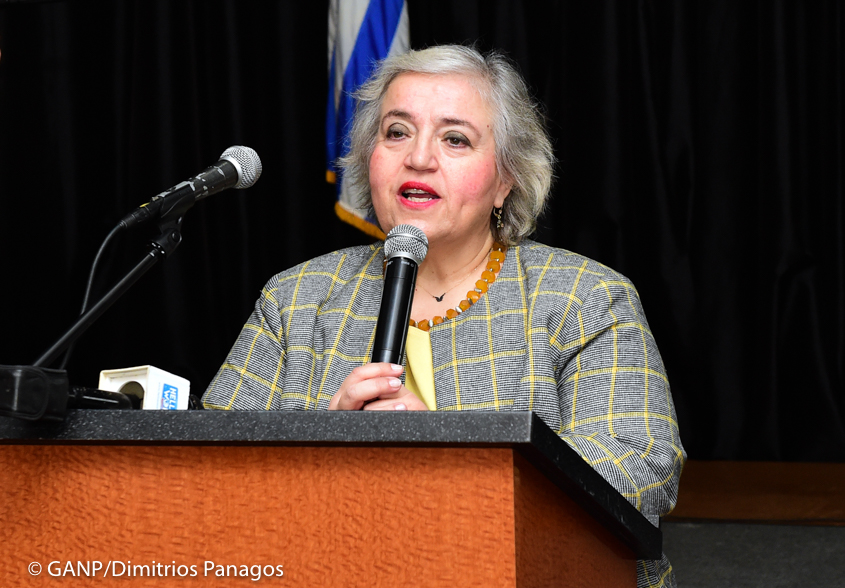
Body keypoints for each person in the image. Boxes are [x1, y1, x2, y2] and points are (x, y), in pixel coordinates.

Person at [203, 45, 685, 587]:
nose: (419, 158)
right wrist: (324, 441)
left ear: (505, 180)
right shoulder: (296, 298)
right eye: (396, 132)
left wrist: (450, 458)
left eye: (455, 139)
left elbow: (640, 470)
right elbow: (211, 477)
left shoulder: (584, 295)